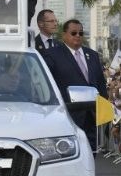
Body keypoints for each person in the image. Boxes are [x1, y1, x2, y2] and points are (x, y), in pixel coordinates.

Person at [43, 19, 108, 151]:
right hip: (67, 115)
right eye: (73, 33)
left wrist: (102, 108)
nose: (78, 36)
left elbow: (100, 83)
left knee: (91, 154)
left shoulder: (93, 55)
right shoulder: (53, 55)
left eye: (81, 33)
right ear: (64, 35)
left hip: (91, 116)